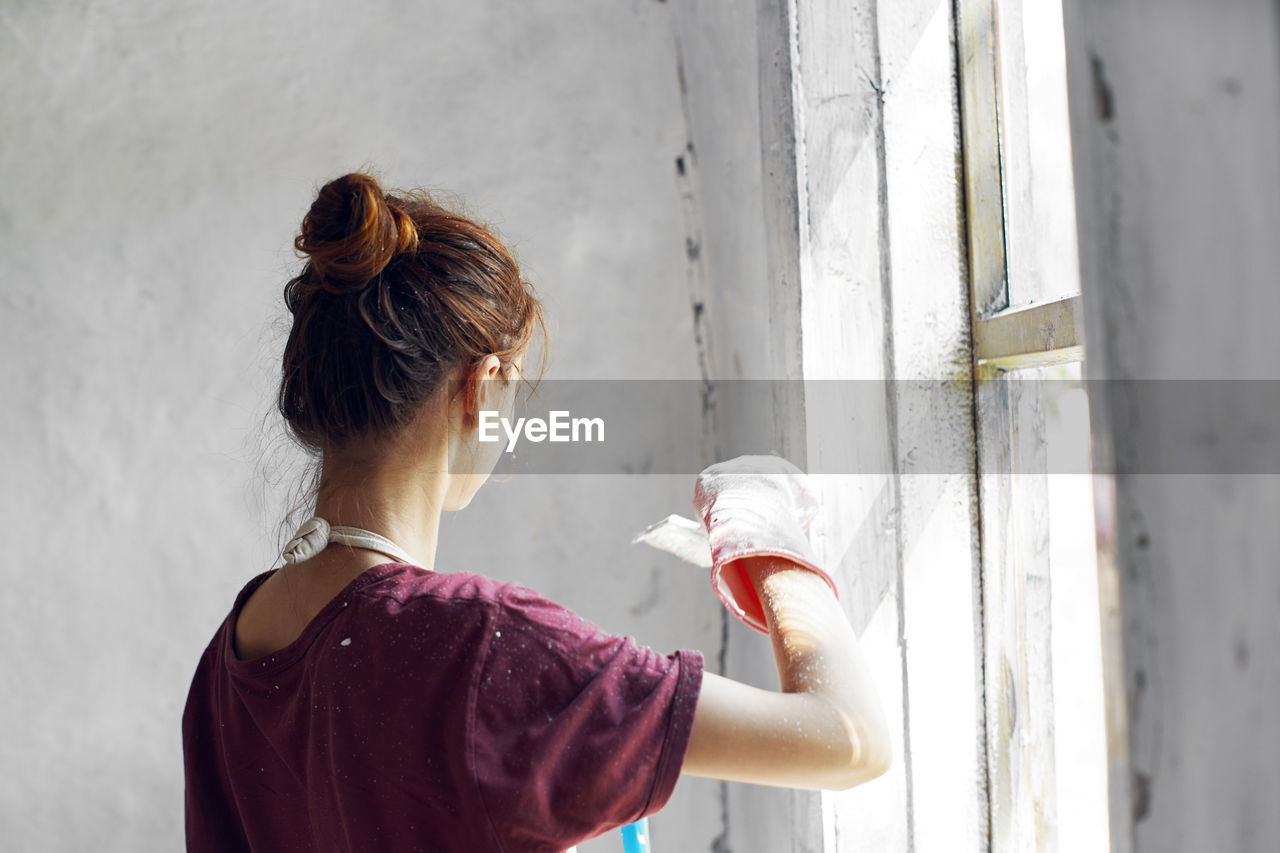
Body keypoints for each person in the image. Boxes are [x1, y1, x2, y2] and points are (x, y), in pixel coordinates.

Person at [181, 172, 892, 853]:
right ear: (482, 386)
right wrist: (764, 535)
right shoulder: (479, 644)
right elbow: (850, 737)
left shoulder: (225, 667)